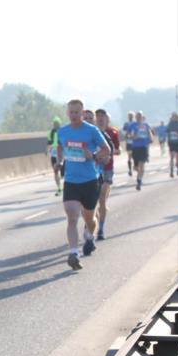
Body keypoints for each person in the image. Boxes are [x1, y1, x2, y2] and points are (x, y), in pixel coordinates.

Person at [58, 99, 109, 270]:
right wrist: (59, 161)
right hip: (71, 181)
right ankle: (74, 252)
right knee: (72, 217)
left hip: (89, 181)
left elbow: (106, 150)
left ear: (82, 113)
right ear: (67, 113)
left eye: (76, 112)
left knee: (89, 218)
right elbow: (59, 146)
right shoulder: (63, 131)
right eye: (71, 112)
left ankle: (89, 234)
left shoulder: (91, 130)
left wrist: (93, 155)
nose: (73, 115)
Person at [94, 109, 120, 240]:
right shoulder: (91, 132)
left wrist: (108, 153)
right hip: (93, 170)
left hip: (107, 169)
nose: (99, 118)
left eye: (102, 116)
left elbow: (118, 150)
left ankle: (101, 229)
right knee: (94, 203)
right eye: (97, 116)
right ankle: (93, 223)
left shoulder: (112, 133)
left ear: (106, 118)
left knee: (102, 198)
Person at [130, 111, 154, 190]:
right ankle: (139, 174)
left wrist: (151, 138)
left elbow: (149, 132)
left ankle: (139, 181)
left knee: (142, 165)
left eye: (140, 116)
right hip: (135, 147)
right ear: (135, 117)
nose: (139, 117)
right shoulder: (133, 125)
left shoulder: (146, 125)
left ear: (142, 117)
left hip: (144, 147)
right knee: (136, 167)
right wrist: (134, 137)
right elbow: (128, 135)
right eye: (137, 116)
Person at [48, 116, 63, 195]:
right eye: (54, 123)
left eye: (57, 123)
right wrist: (47, 151)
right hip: (53, 154)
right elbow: (49, 143)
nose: (55, 125)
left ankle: (65, 186)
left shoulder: (63, 131)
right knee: (55, 171)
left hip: (62, 155)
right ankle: (59, 188)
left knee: (63, 173)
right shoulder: (51, 132)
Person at [122, 111, 136, 175]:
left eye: (131, 115)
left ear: (134, 116)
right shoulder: (126, 124)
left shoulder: (136, 123)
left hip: (136, 143)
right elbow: (123, 132)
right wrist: (126, 135)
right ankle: (130, 170)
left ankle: (135, 165)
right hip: (129, 143)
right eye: (129, 115)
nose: (130, 117)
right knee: (129, 156)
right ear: (128, 117)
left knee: (135, 156)